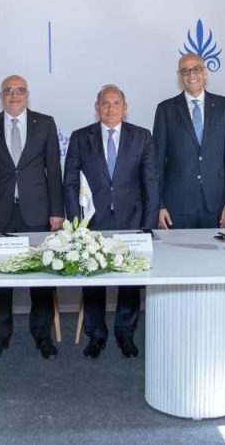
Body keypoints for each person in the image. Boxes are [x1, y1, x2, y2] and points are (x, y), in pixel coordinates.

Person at [0, 75, 64, 360]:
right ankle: (0, 335)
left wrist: (57, 211)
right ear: (1, 95)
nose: (14, 95)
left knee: (41, 279)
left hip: (37, 212)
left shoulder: (45, 123)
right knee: (0, 278)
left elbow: (53, 170)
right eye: (9, 91)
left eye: (20, 90)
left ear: (27, 94)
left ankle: (42, 335)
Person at [63, 85, 158, 360]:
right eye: (105, 103)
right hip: (93, 221)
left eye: (117, 103)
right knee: (93, 279)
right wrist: (76, 224)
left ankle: (125, 334)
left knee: (130, 279)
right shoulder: (81, 137)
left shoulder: (142, 136)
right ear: (97, 107)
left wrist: (148, 226)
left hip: (132, 219)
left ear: (125, 107)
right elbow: (70, 182)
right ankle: (96, 335)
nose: (111, 108)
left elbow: (151, 182)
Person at [153, 53, 225, 230]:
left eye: (196, 69)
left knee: (217, 249)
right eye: (185, 71)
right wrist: (159, 205)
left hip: (217, 204)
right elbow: (157, 162)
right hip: (177, 204)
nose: (191, 75)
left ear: (205, 72)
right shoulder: (165, 109)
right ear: (179, 76)